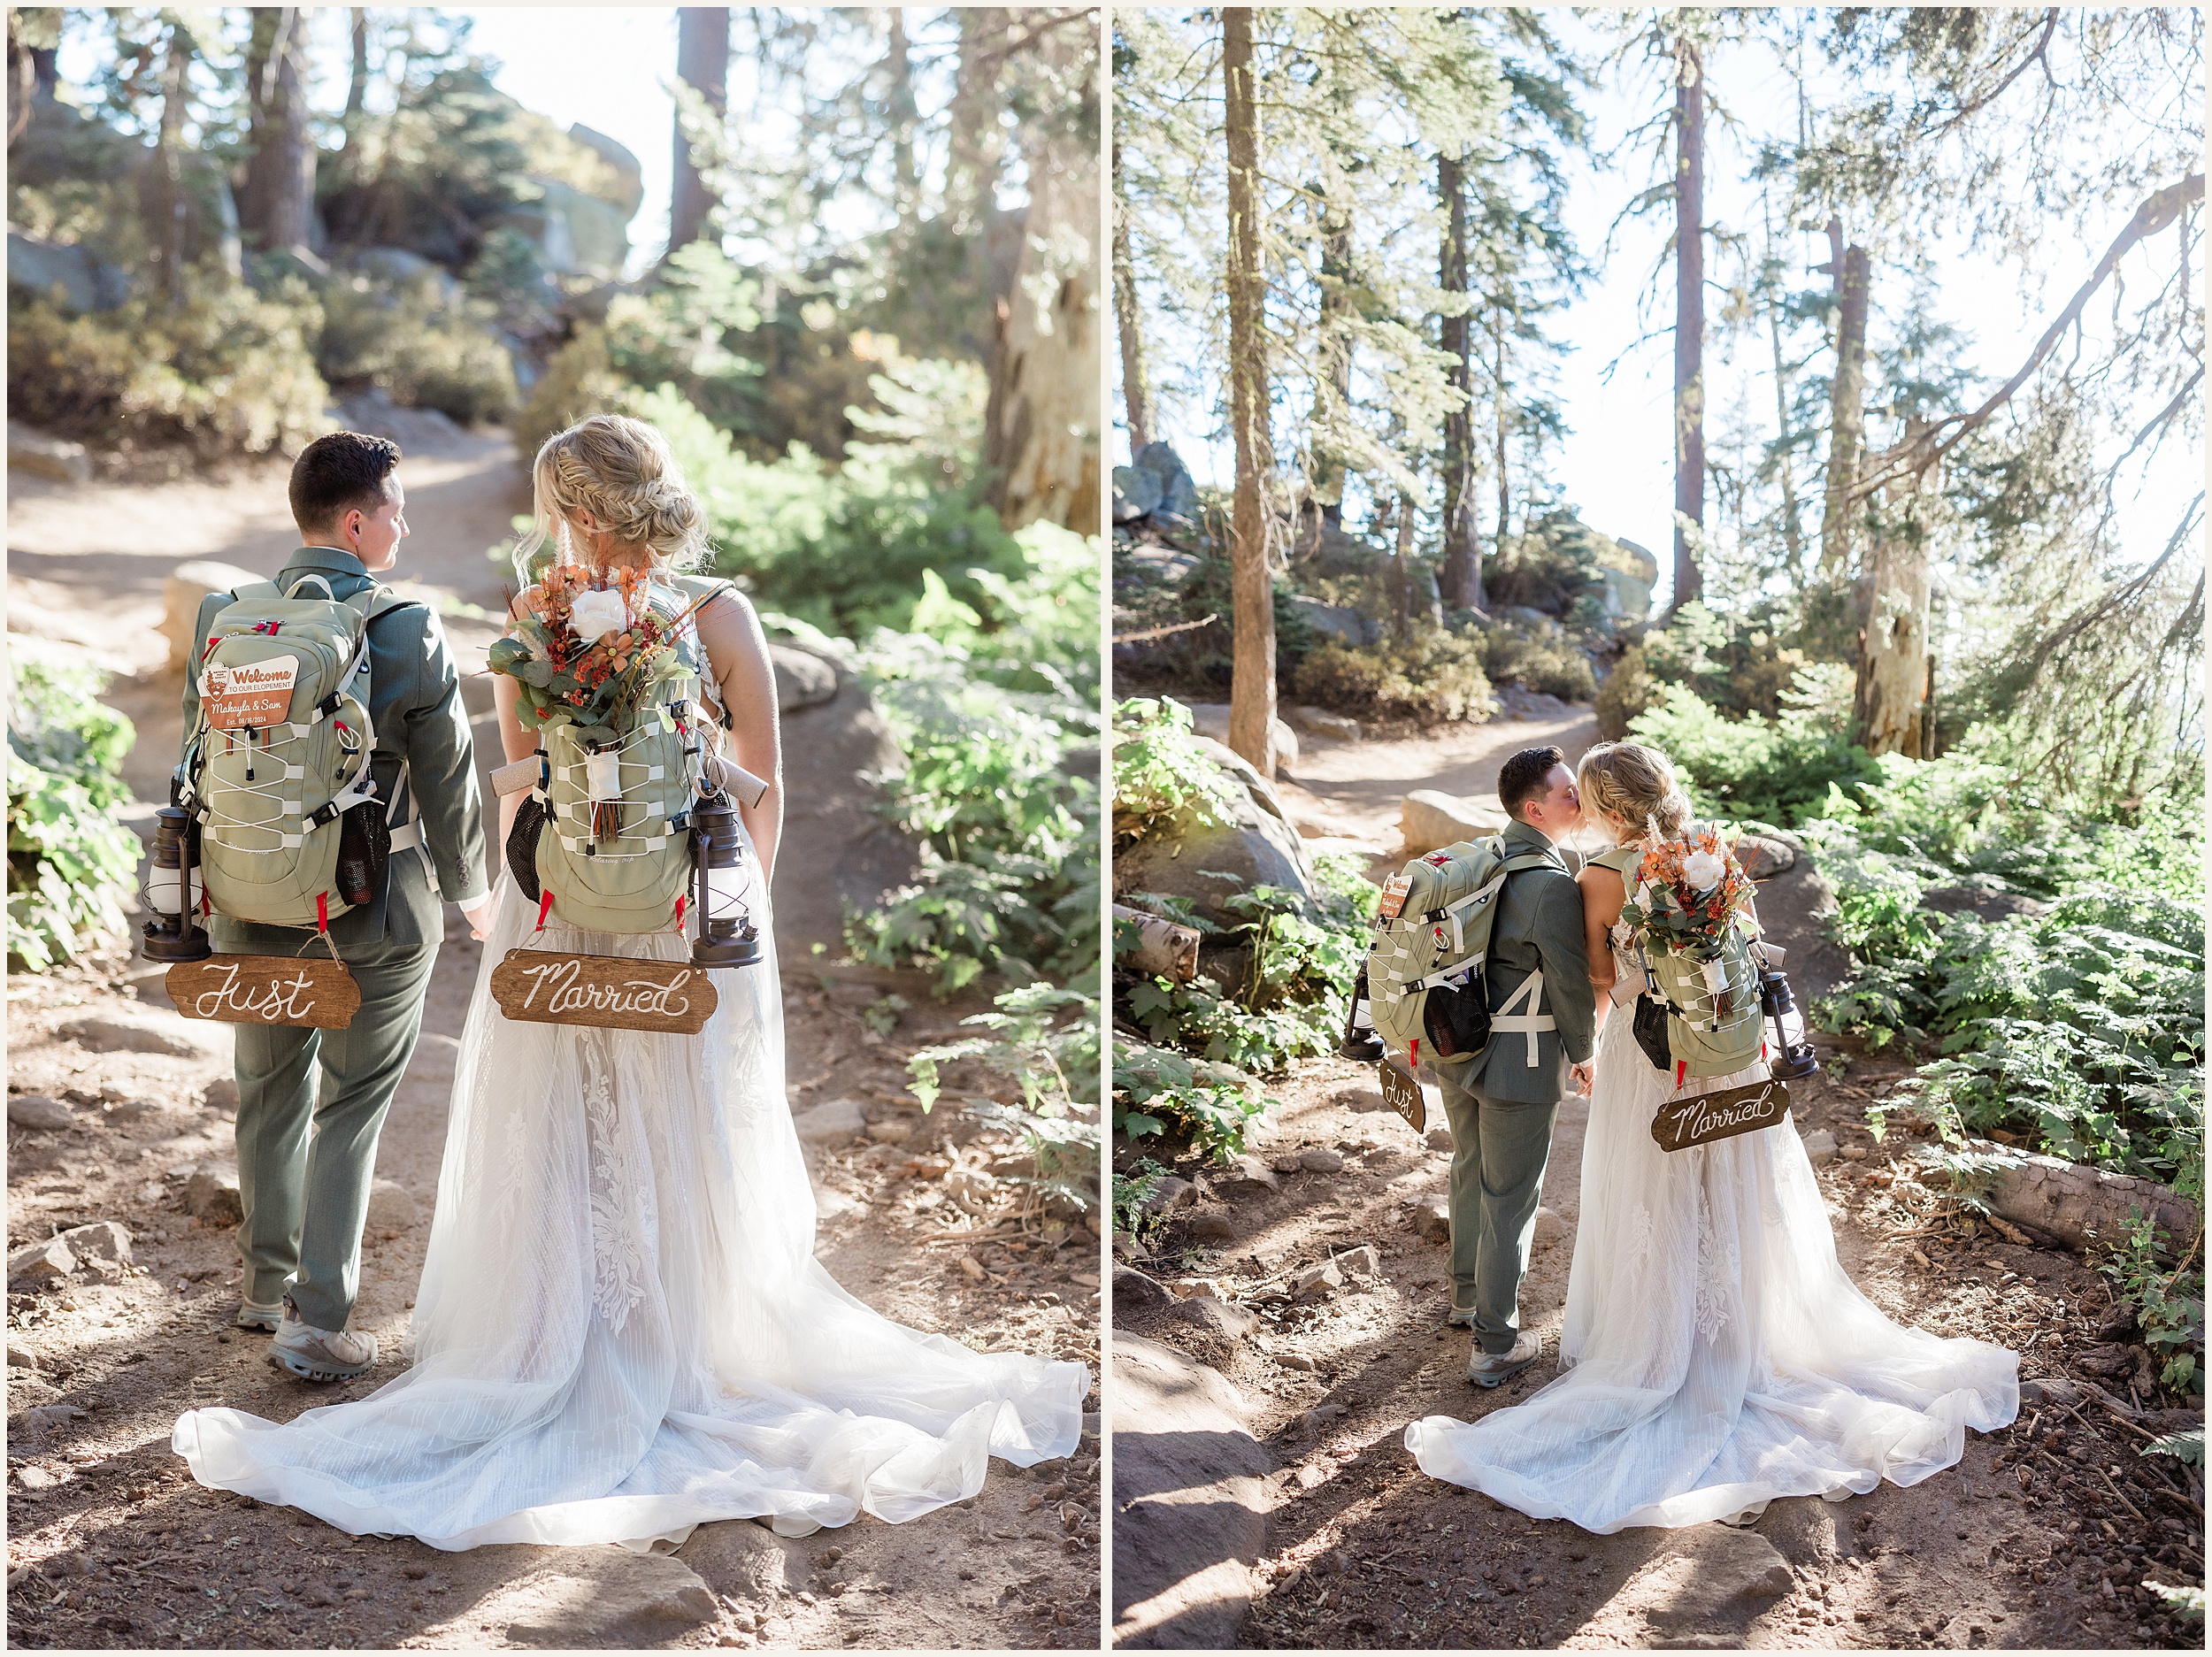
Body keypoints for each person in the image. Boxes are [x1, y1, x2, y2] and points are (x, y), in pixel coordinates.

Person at [174, 414, 1086, 1551]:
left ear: (575, 512)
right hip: (685, 918)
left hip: (556, 915)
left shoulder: (532, 623)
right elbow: (764, 790)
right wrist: (736, 917)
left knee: (560, 1127)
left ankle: (552, 1330)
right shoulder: (719, 615)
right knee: (684, 1118)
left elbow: (517, 794)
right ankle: (688, 1328)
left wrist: (513, 919)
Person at [1405, 740, 2016, 1532]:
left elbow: (1596, 980)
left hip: (1648, 1055)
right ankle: (1742, 1325)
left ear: (1614, 808)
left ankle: (1662, 1339)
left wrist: (1590, 1036)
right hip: (1727, 1054)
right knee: (1729, 1180)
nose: (1580, 809)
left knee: (1652, 1185)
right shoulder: (1709, 853)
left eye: (1587, 796)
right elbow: (1750, 952)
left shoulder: (1596, 876)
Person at [188, 431, 492, 1383]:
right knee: (351, 1102)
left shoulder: (225, 611)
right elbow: (447, 778)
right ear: (357, 522)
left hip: (243, 892)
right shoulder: (402, 624)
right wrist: (474, 889)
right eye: (396, 509)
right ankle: (317, 1321)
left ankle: (258, 1287)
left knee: (268, 1088)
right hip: (372, 909)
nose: (404, 525)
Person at [1436, 746, 1594, 1386]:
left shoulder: (1483, 859)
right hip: (1518, 1062)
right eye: (1567, 793)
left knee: (1471, 1170)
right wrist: (1584, 1053)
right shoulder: (1551, 885)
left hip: (1457, 1049)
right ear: (1535, 808)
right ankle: (1495, 1343)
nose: (1577, 801)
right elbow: (1570, 982)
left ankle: (1466, 1298)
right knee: (1512, 1197)